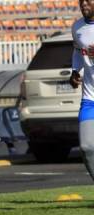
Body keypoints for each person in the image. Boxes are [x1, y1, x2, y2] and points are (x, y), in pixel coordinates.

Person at [70, 0, 94, 181]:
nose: (84, 3)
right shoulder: (77, 27)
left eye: (88, 0)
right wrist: (75, 71)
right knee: (86, 147)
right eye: (81, 0)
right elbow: (78, 51)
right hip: (90, 98)